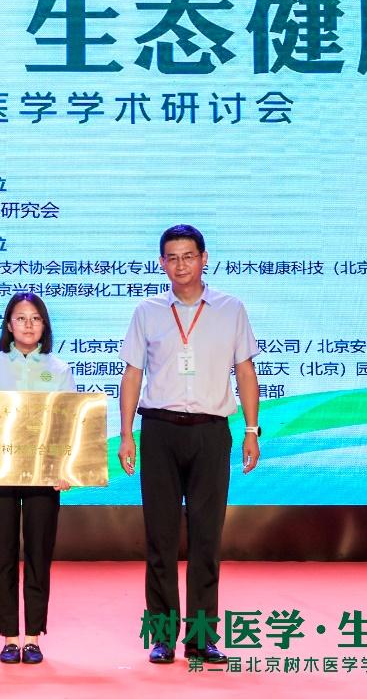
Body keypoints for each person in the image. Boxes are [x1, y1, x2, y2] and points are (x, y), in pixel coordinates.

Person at [117, 225, 261, 665]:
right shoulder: (147, 312)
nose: (180, 265)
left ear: (204, 258)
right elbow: (132, 374)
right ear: (162, 263)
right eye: (172, 258)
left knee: (206, 539)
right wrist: (126, 433)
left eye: (188, 256)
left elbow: (245, 371)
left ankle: (202, 637)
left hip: (211, 432)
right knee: (160, 540)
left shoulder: (231, 309)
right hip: (159, 431)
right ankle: (162, 637)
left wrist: (252, 430)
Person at [0, 292, 74, 665]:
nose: (28, 324)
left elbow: (68, 424)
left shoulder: (59, 369)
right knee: (3, 554)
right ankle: (10, 637)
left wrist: (68, 466)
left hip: (44, 474)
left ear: (44, 325)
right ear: (9, 325)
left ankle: (34, 637)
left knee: (39, 554)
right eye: (21, 318)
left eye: (35, 318)